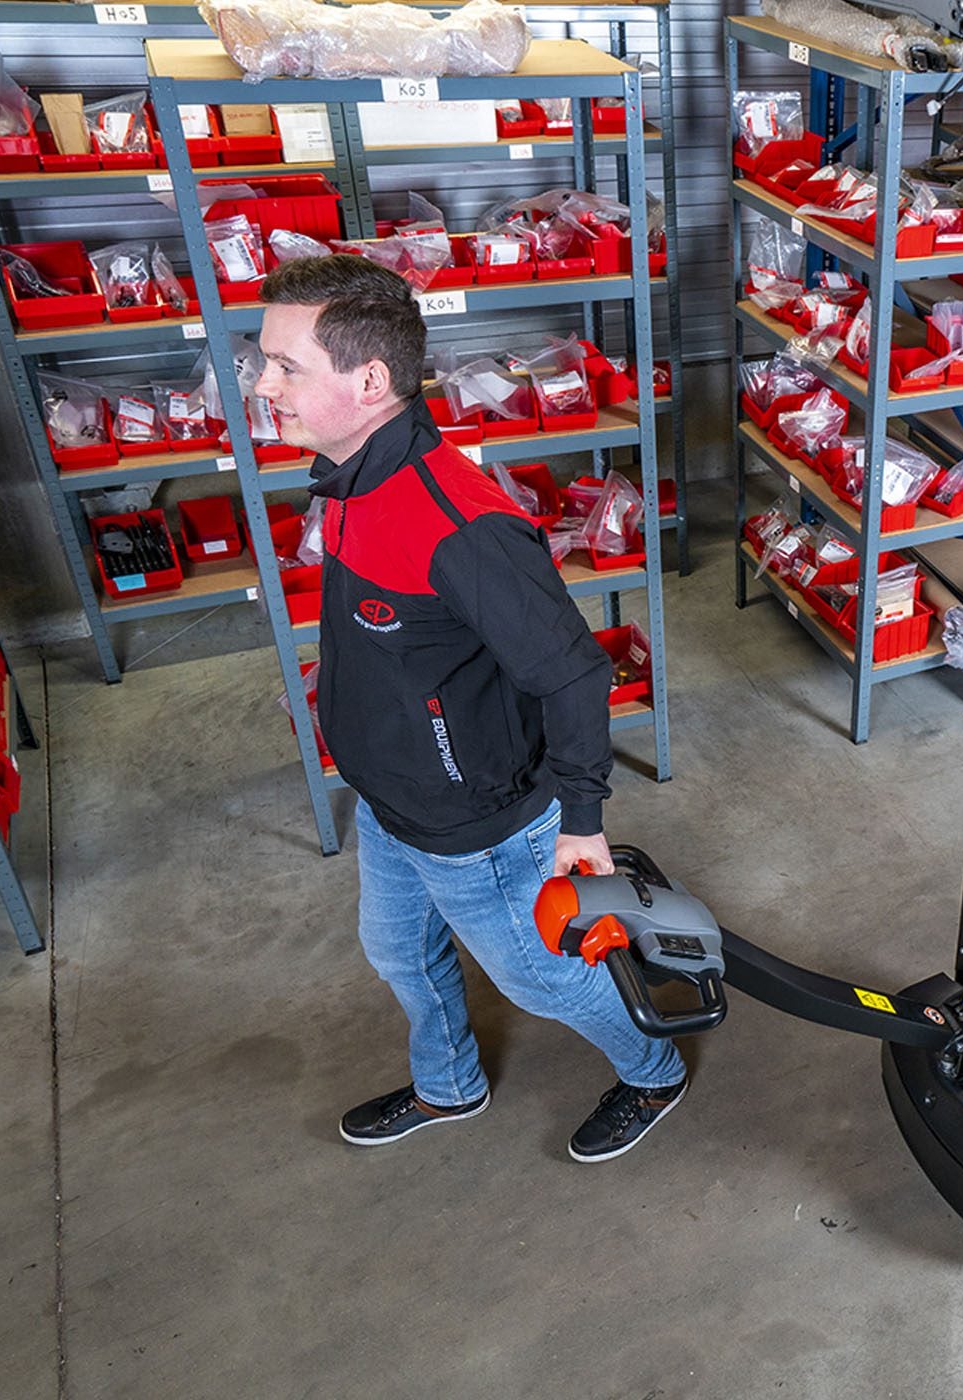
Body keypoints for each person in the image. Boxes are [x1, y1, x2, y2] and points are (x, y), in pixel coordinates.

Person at [254, 254, 686, 1161]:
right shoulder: (348, 477)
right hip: (392, 801)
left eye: (286, 366)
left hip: (480, 821)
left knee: (543, 981)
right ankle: (450, 1085)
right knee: (399, 953)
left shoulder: (456, 523)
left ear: (369, 379)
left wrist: (581, 818)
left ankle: (655, 1070)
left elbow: (574, 674)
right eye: (266, 361)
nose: (264, 385)